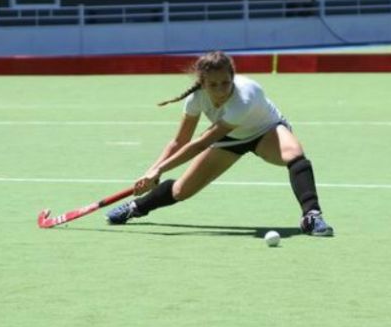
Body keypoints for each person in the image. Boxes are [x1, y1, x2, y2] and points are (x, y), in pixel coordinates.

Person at [105, 51, 334, 237]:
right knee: (181, 190)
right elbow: (179, 141)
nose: (221, 90)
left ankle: (311, 215)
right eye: (213, 85)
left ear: (233, 77)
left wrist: (160, 170)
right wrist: (151, 171)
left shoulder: (244, 98)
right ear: (202, 83)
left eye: (226, 83)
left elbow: (201, 143)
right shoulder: (195, 100)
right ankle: (135, 208)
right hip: (229, 140)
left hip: (266, 130)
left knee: (293, 152)